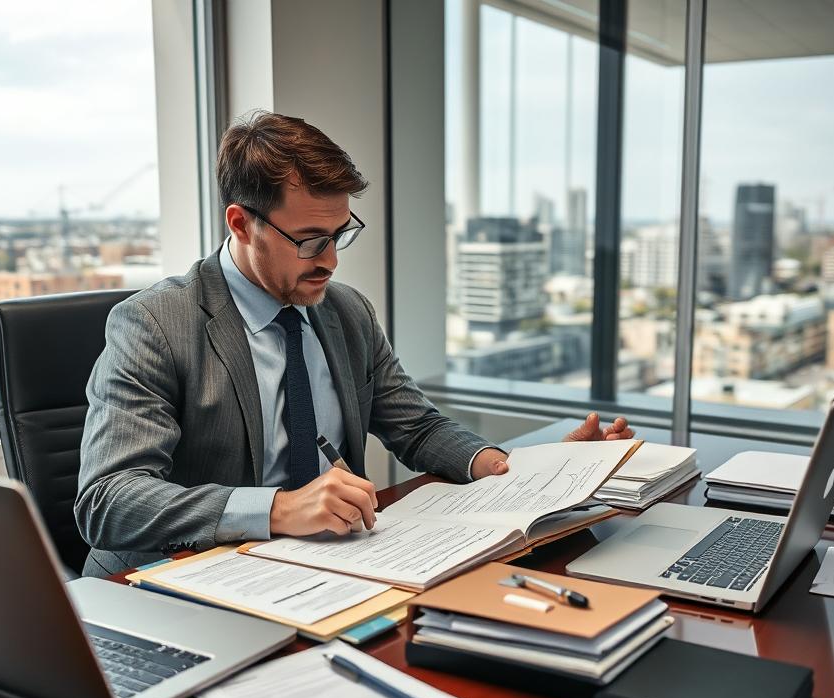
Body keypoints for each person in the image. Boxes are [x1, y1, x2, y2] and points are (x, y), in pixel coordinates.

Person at [74, 112, 634, 577]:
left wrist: (520, 472)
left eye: (340, 234)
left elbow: (417, 427)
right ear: (241, 224)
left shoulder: (346, 312)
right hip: (169, 581)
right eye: (311, 240)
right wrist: (278, 509)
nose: (332, 260)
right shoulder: (153, 324)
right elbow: (108, 500)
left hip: (314, 569)